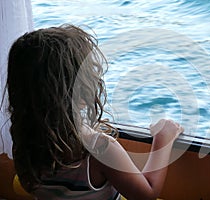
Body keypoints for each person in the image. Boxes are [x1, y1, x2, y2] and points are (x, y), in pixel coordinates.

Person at [6, 24, 184, 200]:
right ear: (81, 93)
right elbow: (147, 193)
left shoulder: (24, 140)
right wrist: (163, 138)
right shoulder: (99, 150)